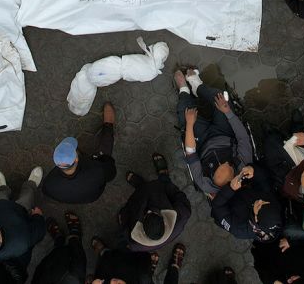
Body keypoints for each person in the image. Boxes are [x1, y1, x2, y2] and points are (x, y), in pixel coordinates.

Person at [174, 67, 253, 198]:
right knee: (222, 97)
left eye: (219, 167)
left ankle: (184, 91)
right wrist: (227, 111)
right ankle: (197, 86)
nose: (224, 162)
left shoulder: (205, 184)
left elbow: (191, 153)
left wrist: (189, 124)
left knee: (184, 112)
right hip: (224, 133)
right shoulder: (244, 165)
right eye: (227, 163)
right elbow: (242, 136)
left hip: (202, 141)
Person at [42, 102, 117, 204]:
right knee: (105, 152)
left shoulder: (49, 183)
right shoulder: (97, 171)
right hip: (93, 194)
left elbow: (46, 192)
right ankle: (108, 124)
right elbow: (111, 173)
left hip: (83, 199)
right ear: (76, 158)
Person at [119, 154, 190, 252]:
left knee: (141, 196)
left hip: (141, 202)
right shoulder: (182, 216)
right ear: (164, 222)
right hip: (161, 196)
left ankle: (141, 187)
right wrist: (165, 185)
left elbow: (124, 224)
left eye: (146, 216)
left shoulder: (134, 243)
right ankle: (164, 176)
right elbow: (179, 197)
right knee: (163, 185)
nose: (148, 211)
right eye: (153, 213)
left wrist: (124, 213)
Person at [210, 166, 283, 241]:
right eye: (265, 202)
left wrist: (230, 188)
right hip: (241, 188)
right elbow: (264, 180)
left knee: (220, 177)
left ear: (256, 218)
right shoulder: (273, 204)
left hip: (223, 202)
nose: (260, 200)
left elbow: (216, 207)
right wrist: (254, 170)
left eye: (259, 206)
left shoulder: (239, 229)